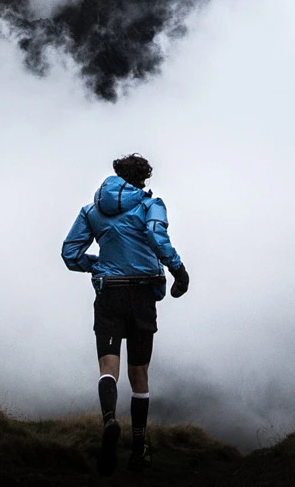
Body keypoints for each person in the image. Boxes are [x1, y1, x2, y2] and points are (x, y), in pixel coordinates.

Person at [61, 153, 189, 474]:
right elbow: (157, 237)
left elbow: (70, 253)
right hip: (142, 292)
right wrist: (179, 271)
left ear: (117, 174)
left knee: (108, 365)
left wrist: (99, 266)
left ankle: (108, 421)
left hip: (110, 293)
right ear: (143, 179)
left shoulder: (92, 210)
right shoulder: (150, 205)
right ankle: (139, 447)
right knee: (140, 375)